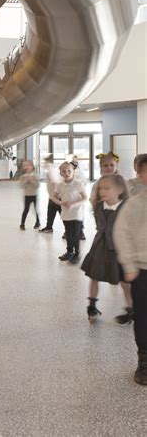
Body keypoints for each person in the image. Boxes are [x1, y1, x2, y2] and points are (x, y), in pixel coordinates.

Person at [81, 174, 133, 324]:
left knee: (125, 282)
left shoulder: (127, 207)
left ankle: (131, 310)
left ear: (120, 190)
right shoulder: (99, 206)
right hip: (100, 248)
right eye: (100, 188)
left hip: (120, 249)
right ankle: (92, 307)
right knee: (94, 277)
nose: (102, 191)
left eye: (107, 188)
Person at [114, 159, 147, 385]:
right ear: (141, 176)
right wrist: (129, 265)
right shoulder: (134, 204)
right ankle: (144, 359)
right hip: (142, 270)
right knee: (143, 317)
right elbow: (121, 234)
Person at [53, 161, 86, 264]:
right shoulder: (59, 185)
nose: (66, 173)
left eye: (69, 171)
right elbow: (54, 197)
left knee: (75, 235)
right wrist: (60, 202)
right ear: (60, 173)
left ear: (73, 172)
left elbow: (85, 198)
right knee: (68, 234)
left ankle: (77, 254)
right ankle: (69, 252)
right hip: (66, 214)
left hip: (77, 214)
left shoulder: (78, 183)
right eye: (64, 171)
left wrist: (73, 204)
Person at [39, 154, 61, 233]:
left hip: (56, 196)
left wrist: (57, 194)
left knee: (62, 213)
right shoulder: (51, 168)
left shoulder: (50, 169)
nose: (44, 163)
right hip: (52, 196)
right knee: (51, 212)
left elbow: (55, 181)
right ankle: (49, 227)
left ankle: (69, 230)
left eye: (45, 162)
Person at [19, 160, 40, 230]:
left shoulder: (35, 175)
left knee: (36, 209)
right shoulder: (23, 176)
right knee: (26, 210)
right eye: (25, 165)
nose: (27, 167)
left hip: (34, 195)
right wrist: (25, 181)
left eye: (29, 165)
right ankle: (22, 224)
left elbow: (37, 185)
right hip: (27, 196)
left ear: (32, 167)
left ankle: (38, 222)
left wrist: (32, 181)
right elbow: (21, 186)